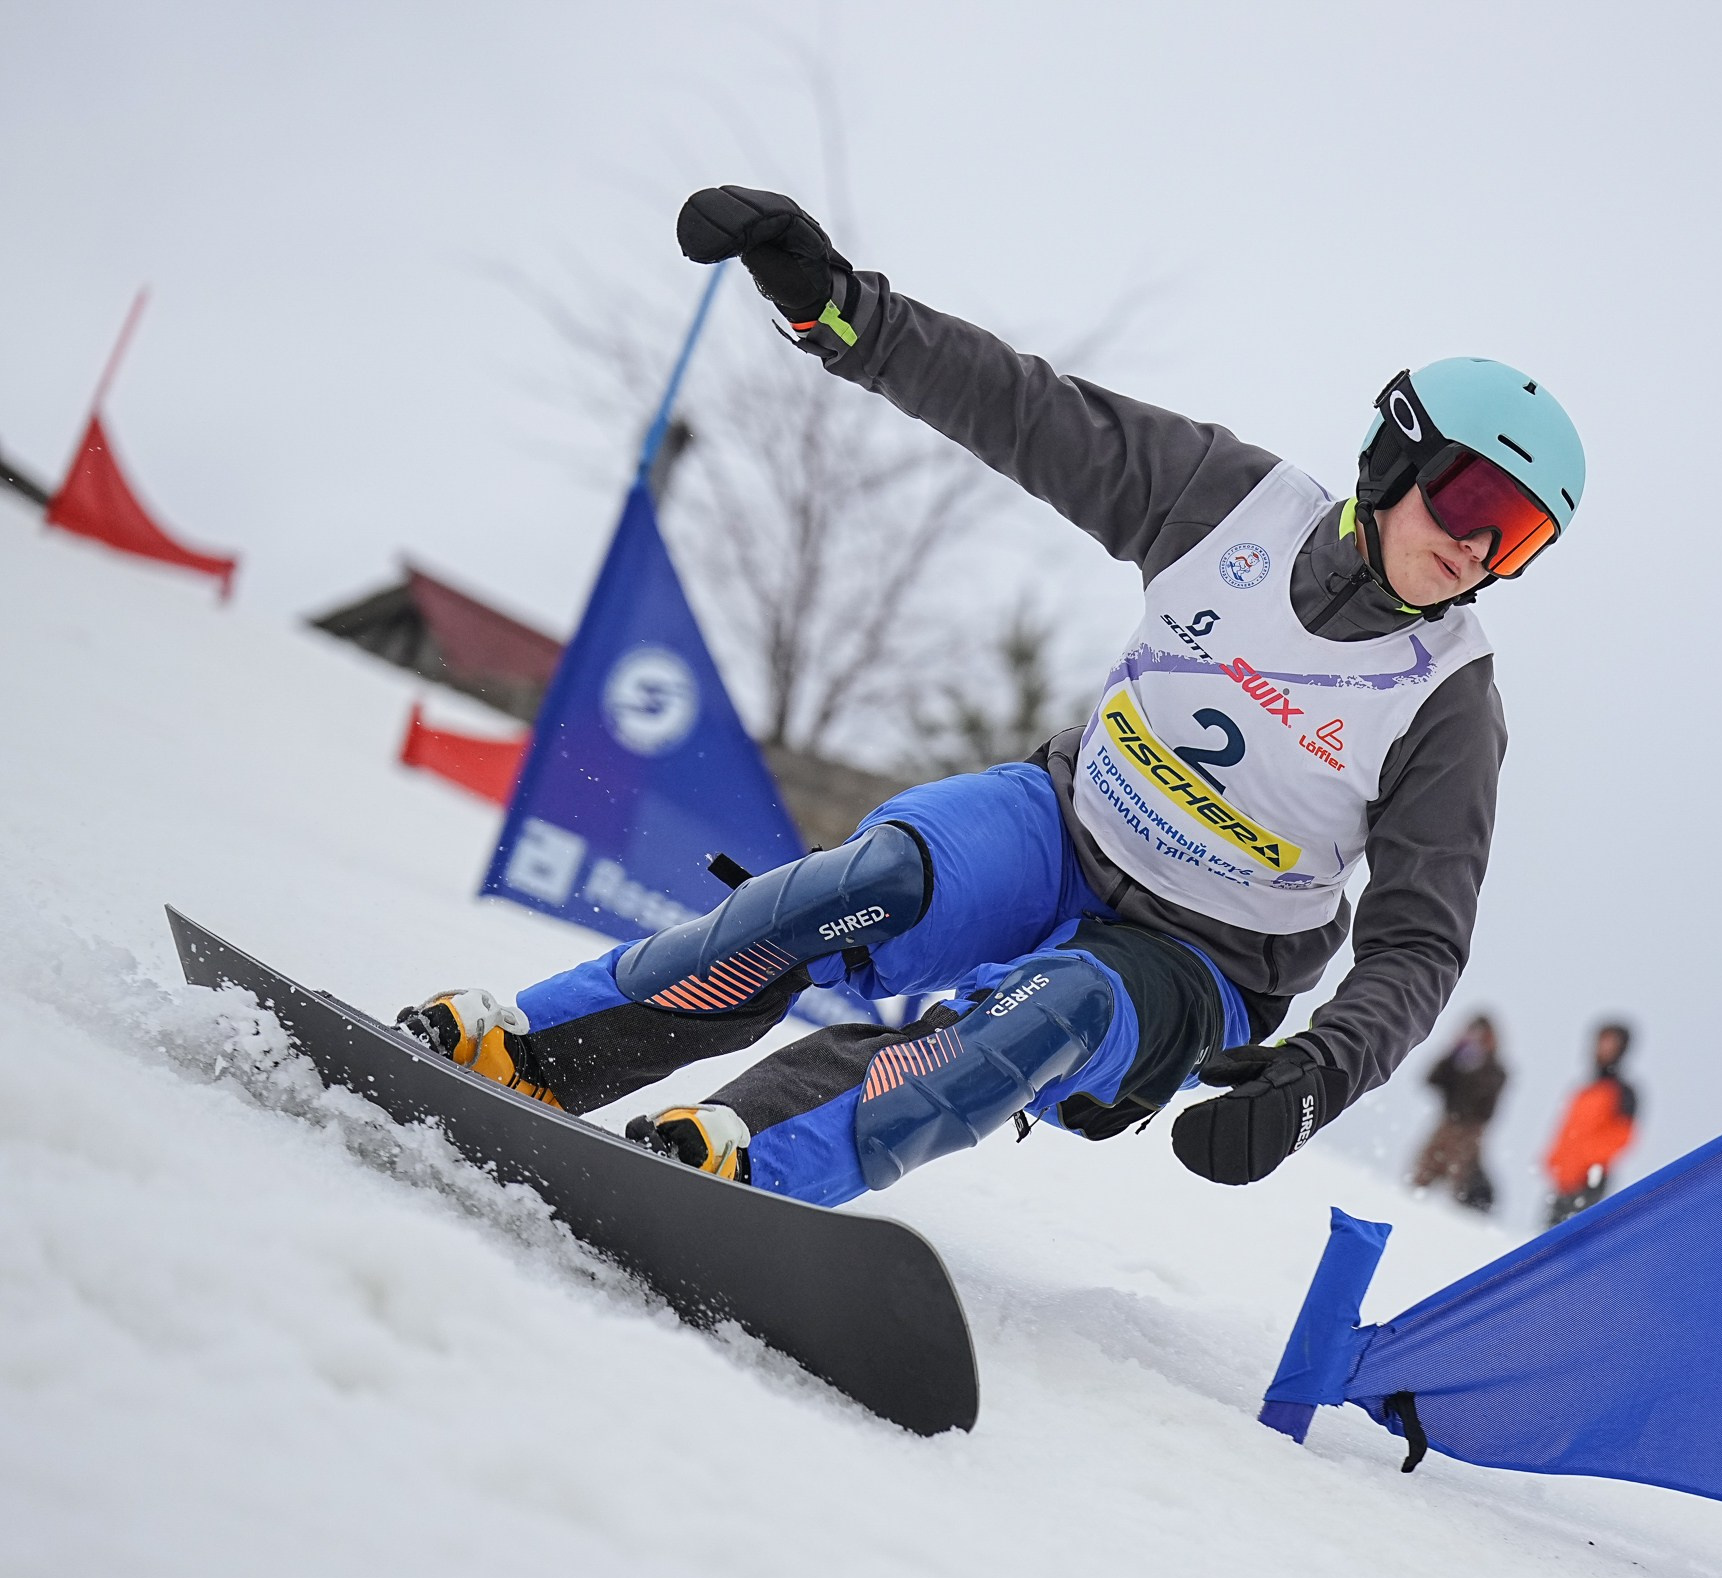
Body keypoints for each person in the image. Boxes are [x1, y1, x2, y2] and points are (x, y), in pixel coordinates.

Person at [397, 184, 1588, 1209]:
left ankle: (749, 1158)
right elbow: (1026, 412)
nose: (1481, 552)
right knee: (855, 892)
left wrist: (1323, 1070)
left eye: (1520, 537)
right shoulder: (1230, 504)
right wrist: (841, 312)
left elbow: (1420, 940)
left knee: (1036, 1016)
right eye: (1472, 503)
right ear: (1395, 454)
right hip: (1063, 822)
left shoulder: (1448, 701)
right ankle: (531, 1053)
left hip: (1208, 965)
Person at [1541, 1021, 1639, 1225]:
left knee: (1574, 1242)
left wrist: (1586, 1161)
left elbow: (1622, 1136)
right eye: (1602, 1041)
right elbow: (1567, 1131)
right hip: (1561, 1182)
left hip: (1589, 1182)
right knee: (1546, 1241)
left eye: (1611, 1043)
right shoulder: (1585, 1089)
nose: (1604, 1048)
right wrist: (1555, 1160)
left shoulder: (1623, 1093)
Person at [1410, 1014, 1507, 1213]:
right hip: (1446, 1123)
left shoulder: (1494, 1070)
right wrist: (1455, 1054)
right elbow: (1432, 1079)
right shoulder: (1458, 1060)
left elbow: (1485, 1106)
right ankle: (1410, 1208)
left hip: (1470, 1131)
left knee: (1460, 1181)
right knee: (1422, 1175)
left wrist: (1476, 1065)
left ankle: (1459, 1218)